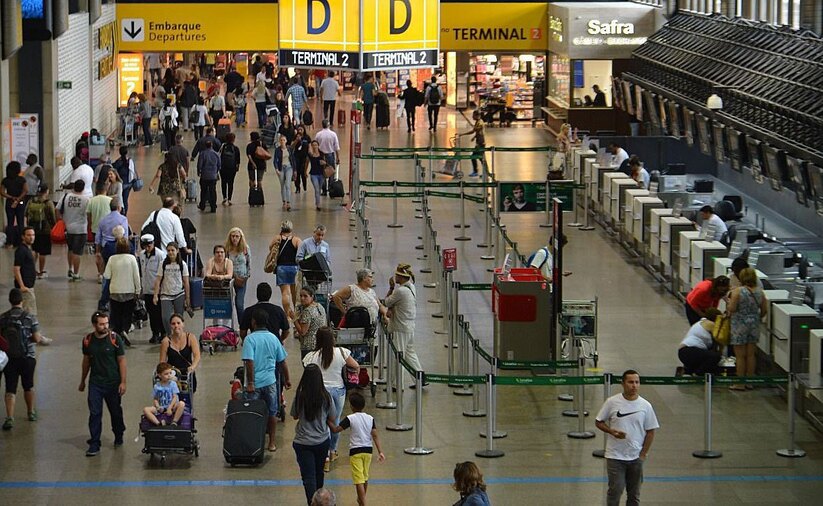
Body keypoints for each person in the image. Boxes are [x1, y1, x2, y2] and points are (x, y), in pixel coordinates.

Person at [595, 370, 659, 506]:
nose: (634, 385)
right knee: (615, 490)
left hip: (635, 457)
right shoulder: (612, 402)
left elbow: (651, 431)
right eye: (630, 382)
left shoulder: (645, 406)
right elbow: (599, 421)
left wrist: (643, 454)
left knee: (634, 494)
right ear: (623, 383)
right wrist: (611, 431)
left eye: (637, 382)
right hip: (615, 456)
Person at [303, 327, 360, 469]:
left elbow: (307, 372)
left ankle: (325, 457)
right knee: (335, 422)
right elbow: (356, 366)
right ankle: (333, 450)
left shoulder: (311, 356)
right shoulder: (341, 352)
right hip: (338, 391)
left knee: (322, 422)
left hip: (320, 391)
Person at [79, 311, 127, 457]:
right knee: (95, 413)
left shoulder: (115, 339)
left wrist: (123, 382)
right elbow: (86, 361)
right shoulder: (87, 340)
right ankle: (94, 443)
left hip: (113, 383)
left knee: (115, 412)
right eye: (101, 324)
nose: (105, 326)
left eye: (106, 323)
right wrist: (82, 381)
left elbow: (121, 361)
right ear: (94, 325)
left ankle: (119, 433)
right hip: (96, 383)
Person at [1, 288, 49, 431]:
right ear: (21, 300)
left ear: (10, 301)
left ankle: (10, 417)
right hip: (27, 356)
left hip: (9, 358)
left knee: (10, 388)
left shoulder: (2, 318)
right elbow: (36, 338)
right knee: (28, 385)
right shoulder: (29, 317)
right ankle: (31, 412)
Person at [243, 308, 291, 452]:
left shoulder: (250, 339)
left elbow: (249, 362)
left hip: (255, 383)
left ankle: (254, 441)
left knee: (252, 412)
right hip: (271, 382)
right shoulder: (273, 338)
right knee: (272, 412)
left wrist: (250, 382)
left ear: (253, 322)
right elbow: (282, 361)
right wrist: (287, 379)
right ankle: (271, 443)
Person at [291, 363, 337, 505]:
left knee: (308, 477)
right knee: (319, 474)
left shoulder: (300, 396)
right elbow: (333, 417)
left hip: (303, 442)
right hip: (321, 441)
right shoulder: (325, 396)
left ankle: (312, 503)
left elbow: (294, 415)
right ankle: (321, 501)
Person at [330, 391, 385, 506]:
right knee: (365, 477)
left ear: (351, 406)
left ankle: (363, 502)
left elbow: (336, 430)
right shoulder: (370, 418)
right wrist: (380, 451)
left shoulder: (350, 418)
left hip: (355, 451)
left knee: (358, 480)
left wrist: (327, 421)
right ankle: (361, 499)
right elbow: (374, 435)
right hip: (368, 451)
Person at [379, 264, 423, 387]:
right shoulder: (412, 287)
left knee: (398, 356)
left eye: (397, 275)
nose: (395, 277)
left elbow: (387, 302)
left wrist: (391, 288)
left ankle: (397, 385)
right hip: (409, 326)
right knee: (410, 354)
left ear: (402, 277)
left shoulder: (400, 291)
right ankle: (420, 378)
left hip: (400, 328)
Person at [727, 267, 768, 390]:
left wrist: (729, 303)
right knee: (750, 355)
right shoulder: (760, 292)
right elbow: (764, 310)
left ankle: (740, 383)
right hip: (754, 324)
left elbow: (732, 308)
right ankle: (750, 381)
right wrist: (756, 317)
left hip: (739, 325)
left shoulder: (738, 291)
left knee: (740, 356)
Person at [103, 237, 140, 346]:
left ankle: (118, 335)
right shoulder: (132, 258)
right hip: (129, 291)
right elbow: (136, 276)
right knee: (127, 314)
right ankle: (125, 330)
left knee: (116, 314)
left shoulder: (112, 259)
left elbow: (106, 275)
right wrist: (137, 290)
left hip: (115, 291)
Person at [153, 242, 191, 336]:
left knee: (179, 318)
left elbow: (186, 282)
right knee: (165, 318)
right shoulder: (163, 264)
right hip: (166, 294)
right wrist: (155, 295)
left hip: (179, 294)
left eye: (173, 250)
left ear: (177, 251)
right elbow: (158, 280)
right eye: (168, 250)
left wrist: (187, 298)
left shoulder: (182, 264)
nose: (170, 252)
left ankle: (179, 335)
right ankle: (170, 335)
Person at [56, 180, 89, 281]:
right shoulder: (86, 199)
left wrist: (59, 221)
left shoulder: (66, 197)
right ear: (83, 188)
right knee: (77, 252)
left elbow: (57, 209)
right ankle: (76, 273)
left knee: (70, 249)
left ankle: (70, 269)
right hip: (80, 229)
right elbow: (88, 213)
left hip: (68, 228)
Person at [159, 314, 201, 393]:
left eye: (178, 323)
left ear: (183, 324)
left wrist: (193, 366)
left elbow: (197, 356)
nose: (176, 326)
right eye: (173, 324)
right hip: (172, 373)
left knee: (188, 397)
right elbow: (162, 361)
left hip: (187, 372)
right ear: (170, 326)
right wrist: (165, 374)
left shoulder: (190, 338)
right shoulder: (166, 341)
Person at [269, 220, 302, 316]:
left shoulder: (277, 238)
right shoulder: (296, 240)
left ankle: (288, 314)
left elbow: (270, 249)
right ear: (291, 229)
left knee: (285, 293)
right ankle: (297, 313)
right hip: (294, 268)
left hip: (281, 268)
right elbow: (302, 252)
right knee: (295, 293)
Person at [138, 234, 167, 344]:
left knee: (160, 313)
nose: (147, 248)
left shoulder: (160, 255)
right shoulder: (142, 255)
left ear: (153, 243)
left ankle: (163, 333)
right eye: (145, 246)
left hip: (158, 290)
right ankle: (155, 333)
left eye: (149, 245)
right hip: (147, 289)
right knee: (151, 313)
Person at [677, 307, 723, 376]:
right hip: (690, 350)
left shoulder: (701, 322)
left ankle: (689, 370)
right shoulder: (710, 324)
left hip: (684, 352)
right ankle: (698, 374)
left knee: (710, 356)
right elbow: (721, 338)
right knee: (715, 357)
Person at [24, 184, 56, 278]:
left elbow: (26, 214)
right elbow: (52, 217)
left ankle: (32, 270)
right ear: (46, 191)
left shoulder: (31, 201)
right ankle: (41, 272)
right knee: (43, 252)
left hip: (33, 229)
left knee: (34, 250)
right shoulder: (48, 203)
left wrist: (26, 227)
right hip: (45, 230)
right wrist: (53, 227)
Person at [142, 362, 186, 426]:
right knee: (146, 409)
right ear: (159, 375)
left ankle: (174, 421)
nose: (169, 375)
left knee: (181, 404)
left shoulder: (173, 384)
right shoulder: (157, 386)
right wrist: (157, 406)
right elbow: (155, 398)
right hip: (161, 407)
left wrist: (170, 408)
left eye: (170, 373)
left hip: (172, 406)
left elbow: (175, 397)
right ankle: (158, 423)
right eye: (166, 374)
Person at [294, 286, 327, 359]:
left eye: (305, 296)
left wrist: (294, 319)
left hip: (309, 346)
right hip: (320, 344)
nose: (302, 298)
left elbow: (303, 332)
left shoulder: (307, 311)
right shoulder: (320, 306)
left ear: (312, 297)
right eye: (301, 296)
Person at [226, 228, 251, 321]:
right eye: (233, 236)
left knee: (239, 304)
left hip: (241, 279)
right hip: (230, 279)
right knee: (228, 303)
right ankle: (229, 325)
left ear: (241, 238)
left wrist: (247, 276)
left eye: (237, 236)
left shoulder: (245, 248)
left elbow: (249, 263)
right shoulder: (227, 249)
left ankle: (242, 325)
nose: (235, 239)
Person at [2, 161, 28, 248]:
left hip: (10, 202)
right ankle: (21, 241)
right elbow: (25, 190)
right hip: (20, 201)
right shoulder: (22, 179)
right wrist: (19, 198)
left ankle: (10, 242)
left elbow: (2, 192)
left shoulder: (5, 180)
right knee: (21, 222)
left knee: (10, 223)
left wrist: (11, 197)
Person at [13, 227, 38, 315]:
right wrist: (22, 286)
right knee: (29, 312)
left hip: (29, 285)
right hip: (25, 287)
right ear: (23, 237)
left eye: (33, 235)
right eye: (28, 235)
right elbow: (16, 269)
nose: (31, 237)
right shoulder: (21, 251)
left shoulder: (27, 250)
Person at [458, 110, 488, 177]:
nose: (472, 117)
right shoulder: (478, 122)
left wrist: (462, 134)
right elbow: (478, 132)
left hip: (480, 143)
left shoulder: (479, 123)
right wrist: (474, 137)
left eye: (473, 115)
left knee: (476, 157)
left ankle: (479, 172)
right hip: (479, 142)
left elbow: (473, 131)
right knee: (479, 158)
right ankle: (483, 172)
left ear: (477, 115)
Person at [315, 120, 340, 195]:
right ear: (328, 125)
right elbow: (336, 147)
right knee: (331, 172)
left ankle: (324, 190)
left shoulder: (318, 135)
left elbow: (315, 145)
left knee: (322, 172)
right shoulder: (333, 134)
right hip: (330, 155)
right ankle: (331, 188)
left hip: (321, 155)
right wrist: (338, 157)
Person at [196, 140, 220, 213]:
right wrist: (216, 172)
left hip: (204, 175)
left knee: (203, 191)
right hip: (213, 176)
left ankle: (202, 205)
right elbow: (219, 165)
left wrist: (198, 172)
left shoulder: (202, 154)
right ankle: (213, 207)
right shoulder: (216, 154)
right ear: (211, 145)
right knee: (213, 191)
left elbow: (199, 165)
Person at [112, 146, 137, 214]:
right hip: (129, 184)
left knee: (120, 199)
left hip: (120, 183)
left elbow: (113, 168)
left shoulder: (118, 162)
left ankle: (119, 212)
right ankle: (125, 214)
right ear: (127, 152)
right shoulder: (130, 161)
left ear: (119, 152)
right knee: (125, 199)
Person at [274, 135, 296, 211]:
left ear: (286, 141)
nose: (282, 142)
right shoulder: (277, 150)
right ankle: (284, 201)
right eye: (281, 140)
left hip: (289, 167)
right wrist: (276, 169)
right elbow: (275, 160)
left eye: (284, 140)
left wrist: (295, 170)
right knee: (282, 185)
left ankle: (289, 202)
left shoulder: (289, 149)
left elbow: (293, 159)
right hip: (281, 168)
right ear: (279, 141)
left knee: (287, 185)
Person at [219, 133, 241, 206]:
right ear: (233, 139)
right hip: (232, 168)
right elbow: (238, 160)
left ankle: (224, 197)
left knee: (223, 182)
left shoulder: (222, 147)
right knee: (231, 183)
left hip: (223, 168)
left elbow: (219, 156)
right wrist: (237, 167)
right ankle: (230, 199)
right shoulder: (235, 148)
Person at [307, 141, 327, 210]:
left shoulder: (322, 154)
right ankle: (318, 204)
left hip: (321, 174)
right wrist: (305, 171)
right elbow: (307, 163)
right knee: (317, 189)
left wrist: (324, 163)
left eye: (316, 145)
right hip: (313, 174)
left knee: (319, 188)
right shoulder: (310, 155)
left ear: (318, 146)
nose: (315, 146)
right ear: (312, 146)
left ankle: (317, 201)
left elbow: (326, 162)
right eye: (313, 145)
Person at [293, 126, 311, 194]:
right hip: (296, 156)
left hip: (304, 156)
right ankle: (297, 187)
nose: (300, 131)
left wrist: (309, 154)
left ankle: (304, 185)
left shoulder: (307, 137)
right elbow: (292, 147)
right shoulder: (295, 137)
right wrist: (296, 140)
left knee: (303, 171)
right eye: (299, 129)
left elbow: (309, 146)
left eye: (301, 129)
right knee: (296, 172)